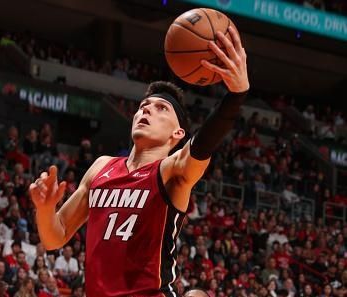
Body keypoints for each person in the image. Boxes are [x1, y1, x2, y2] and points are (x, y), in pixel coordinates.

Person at [30, 26, 249, 296]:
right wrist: (45, 208)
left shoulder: (171, 172)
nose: (146, 109)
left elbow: (203, 144)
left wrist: (236, 97)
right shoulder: (101, 166)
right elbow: (55, 236)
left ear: (177, 133)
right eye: (144, 105)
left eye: (161, 108)